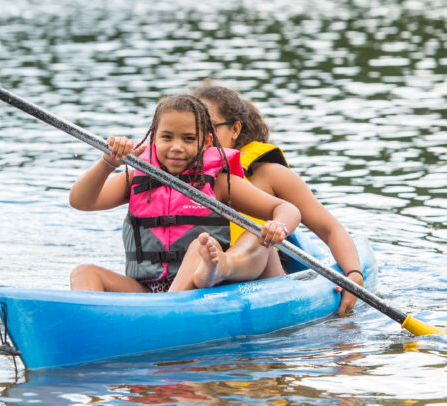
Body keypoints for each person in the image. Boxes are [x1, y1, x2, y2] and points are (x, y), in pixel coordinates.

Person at [69, 94, 301, 293]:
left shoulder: (221, 183)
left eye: (189, 139)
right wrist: (107, 163)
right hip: (146, 291)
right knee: (84, 273)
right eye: (167, 137)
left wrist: (278, 226)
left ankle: (195, 287)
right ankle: (84, 328)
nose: (177, 147)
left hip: (199, 291)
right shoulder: (135, 179)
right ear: (154, 138)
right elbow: (80, 201)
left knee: (205, 245)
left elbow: (286, 209)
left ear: (207, 142)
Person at [190, 85, 363, 313]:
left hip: (260, 278)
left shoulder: (270, 174)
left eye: (209, 127)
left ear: (235, 129)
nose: (202, 138)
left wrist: (354, 274)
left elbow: (330, 229)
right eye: (193, 129)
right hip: (198, 274)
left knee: (255, 233)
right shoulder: (174, 174)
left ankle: (223, 265)